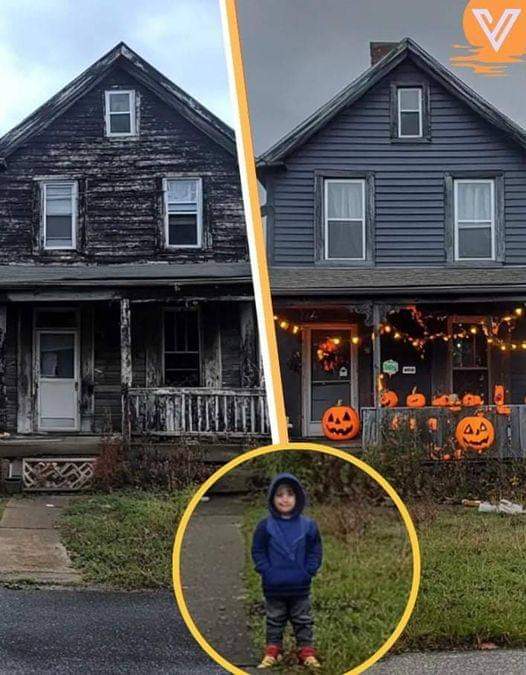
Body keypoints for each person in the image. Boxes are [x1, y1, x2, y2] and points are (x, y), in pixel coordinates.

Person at [251, 472, 323, 669]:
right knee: (274, 620)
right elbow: (258, 550)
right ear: (272, 498)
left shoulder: (308, 526)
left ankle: (306, 652)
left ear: (297, 497)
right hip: (274, 587)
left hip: (300, 586)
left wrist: (309, 570)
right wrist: (266, 571)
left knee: (303, 620)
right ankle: (273, 652)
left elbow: (315, 550)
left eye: (290, 494)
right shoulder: (265, 526)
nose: (285, 499)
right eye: (279, 494)